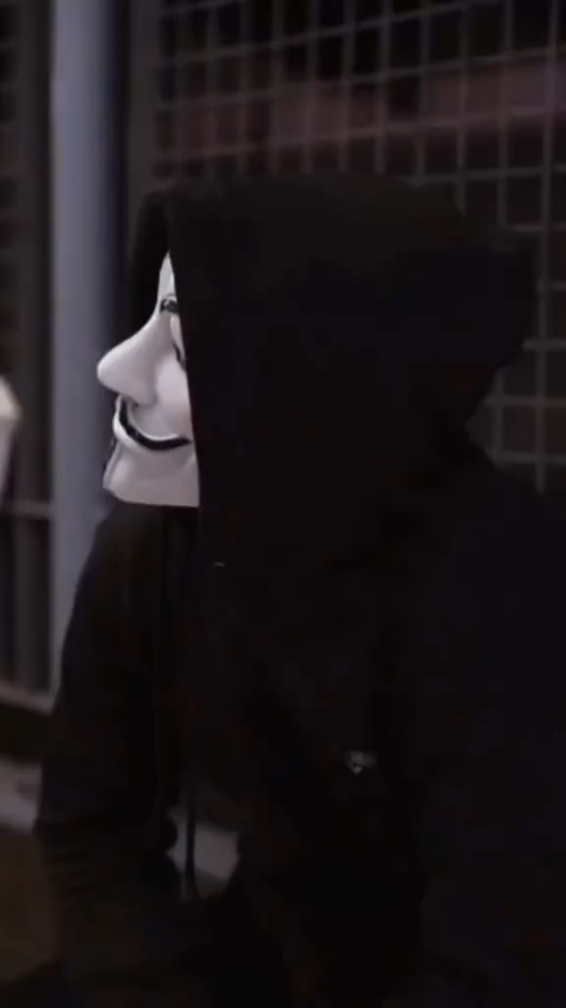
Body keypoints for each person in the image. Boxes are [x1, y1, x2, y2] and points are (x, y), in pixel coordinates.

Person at [35, 175, 565, 1008]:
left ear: (309, 384)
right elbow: (89, 826)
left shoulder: (501, 589)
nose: (115, 367)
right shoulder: (151, 550)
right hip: (267, 946)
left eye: (182, 349)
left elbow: (505, 952)